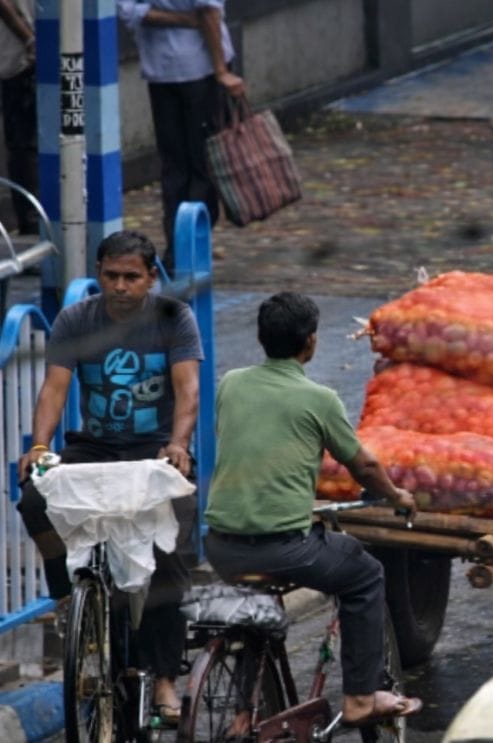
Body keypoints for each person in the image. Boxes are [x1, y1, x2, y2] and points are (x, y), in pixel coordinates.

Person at [204, 292, 422, 730]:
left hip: (222, 546)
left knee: (255, 611)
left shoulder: (230, 384)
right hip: (285, 549)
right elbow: (365, 464)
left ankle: (244, 714)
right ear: (311, 343)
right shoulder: (318, 398)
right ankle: (361, 697)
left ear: (262, 338)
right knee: (365, 575)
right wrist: (396, 496)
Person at [16, 229, 202, 723]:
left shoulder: (174, 318)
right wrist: (39, 446)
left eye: (131, 277)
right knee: (35, 501)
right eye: (111, 276)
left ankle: (163, 677)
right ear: (98, 275)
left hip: (155, 451)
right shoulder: (78, 319)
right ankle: (68, 601)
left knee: (169, 552)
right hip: (93, 449)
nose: (120, 286)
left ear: (151, 278)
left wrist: (178, 445)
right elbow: (54, 389)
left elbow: (188, 391)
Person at [117, 0, 245, 272]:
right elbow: (209, 13)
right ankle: (190, 246)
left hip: (161, 70)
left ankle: (176, 246)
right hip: (200, 68)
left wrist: (175, 18)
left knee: (174, 165)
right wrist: (222, 70)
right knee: (202, 164)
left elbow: (128, 10)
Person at [0, 0, 38, 235]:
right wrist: (29, 39)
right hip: (20, 56)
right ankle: (31, 221)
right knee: (25, 147)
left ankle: (33, 219)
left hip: (29, 49)